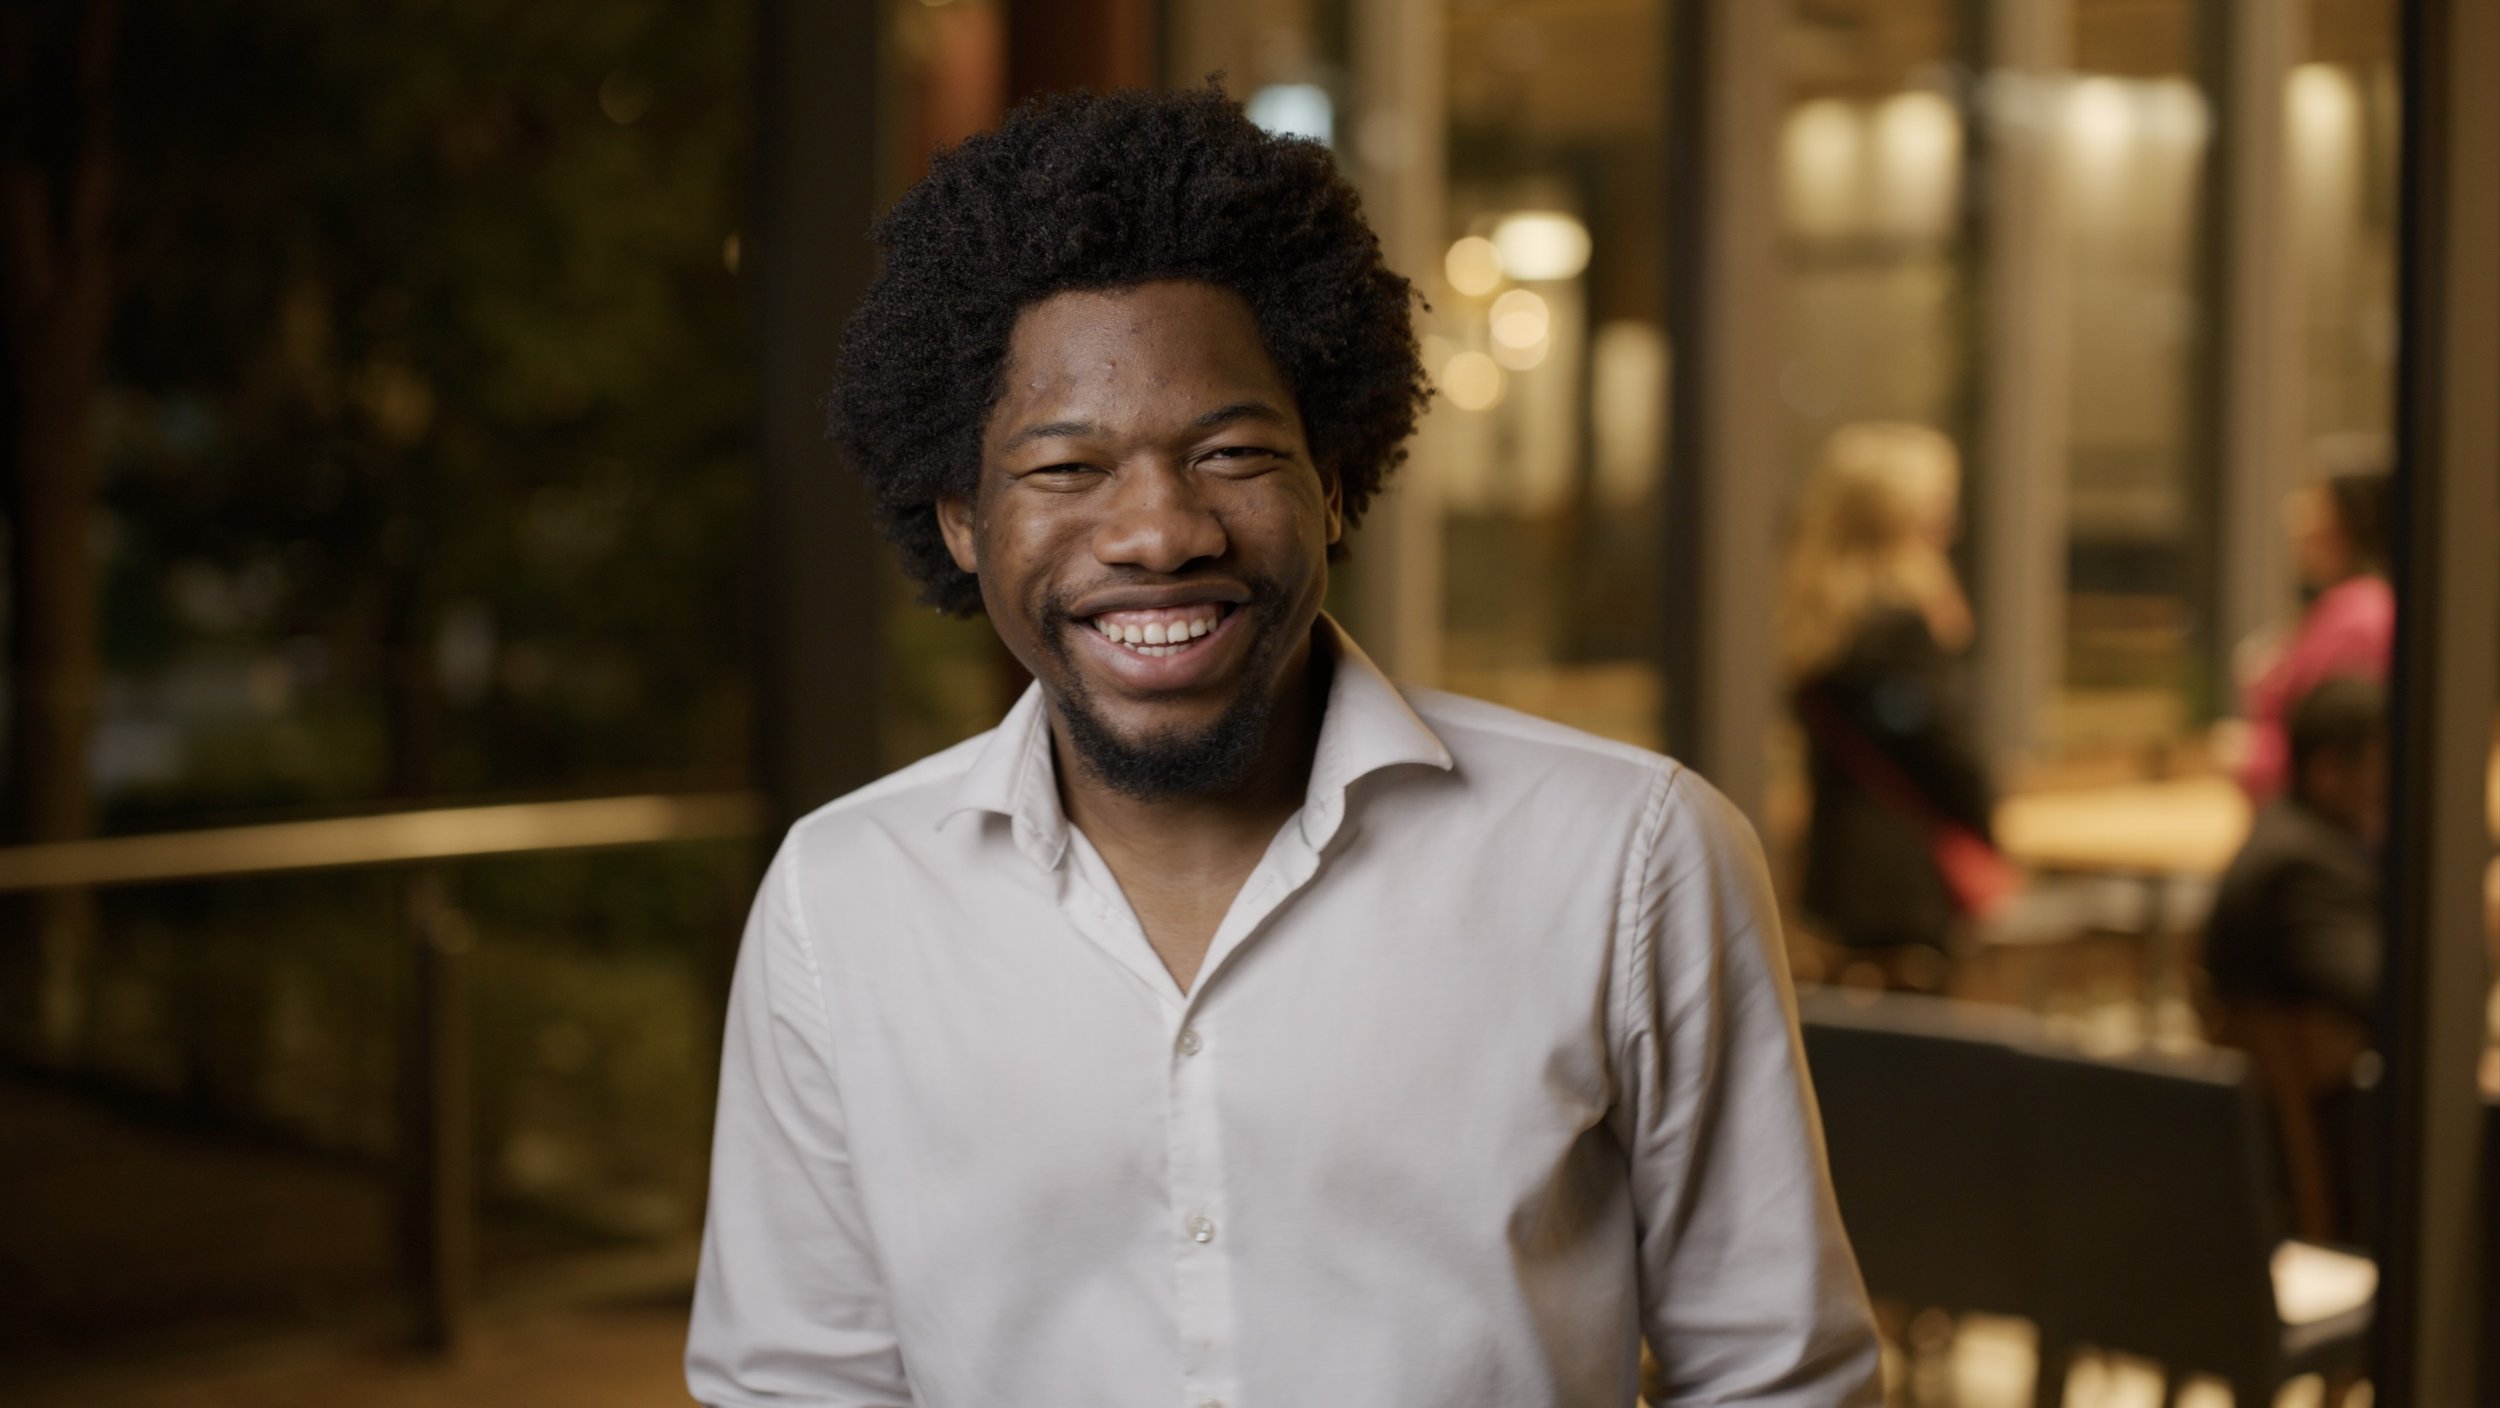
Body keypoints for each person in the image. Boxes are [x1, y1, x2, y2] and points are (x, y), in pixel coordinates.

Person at [685, 87, 1879, 1408]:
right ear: (964, 519)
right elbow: (797, 1391)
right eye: (1066, 468)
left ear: (1337, 477)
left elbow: (1779, 1379)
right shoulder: (840, 898)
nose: (1159, 532)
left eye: (1233, 450)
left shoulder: (1628, 854)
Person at [1777, 423, 2002, 989]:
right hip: (1905, 878)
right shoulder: (1899, 626)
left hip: (1837, 868)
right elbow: (1939, 746)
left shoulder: (1823, 621)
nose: (1950, 527)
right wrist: (1987, 824)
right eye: (1937, 511)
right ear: (1902, 520)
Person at [2202, 676, 2387, 1240]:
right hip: (2343, 1176)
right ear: (2330, 771)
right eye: (2386, 766)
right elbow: (2389, 998)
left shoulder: (2288, 837)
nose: (2397, 784)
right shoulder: (2301, 868)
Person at [2232, 449, 2394, 804]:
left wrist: (2245, 755)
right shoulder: (2349, 607)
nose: (2295, 514)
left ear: (2350, 517)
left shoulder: (2361, 614)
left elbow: (2333, 752)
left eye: (2314, 499)